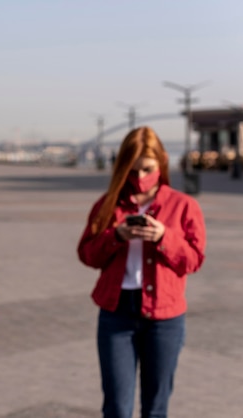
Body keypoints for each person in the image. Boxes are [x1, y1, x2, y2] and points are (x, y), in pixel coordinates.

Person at [77, 126, 206, 418]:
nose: (139, 178)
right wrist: (117, 235)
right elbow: (87, 254)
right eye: (132, 170)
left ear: (161, 161)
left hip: (165, 318)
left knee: (155, 408)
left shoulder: (184, 206)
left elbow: (194, 260)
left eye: (146, 169)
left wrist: (164, 237)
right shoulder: (107, 204)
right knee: (117, 408)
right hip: (116, 313)